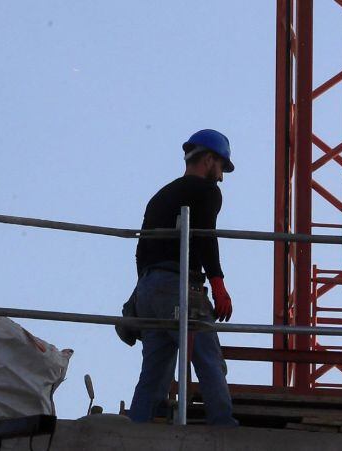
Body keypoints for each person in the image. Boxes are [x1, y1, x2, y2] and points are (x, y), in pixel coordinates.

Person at [127, 129, 237, 426]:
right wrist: (218, 283)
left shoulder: (160, 195)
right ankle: (223, 426)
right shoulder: (206, 191)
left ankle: (139, 428)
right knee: (208, 357)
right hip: (178, 285)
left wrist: (139, 294)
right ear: (209, 159)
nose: (222, 176)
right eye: (221, 166)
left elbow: (141, 248)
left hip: (150, 288)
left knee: (156, 368)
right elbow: (203, 235)